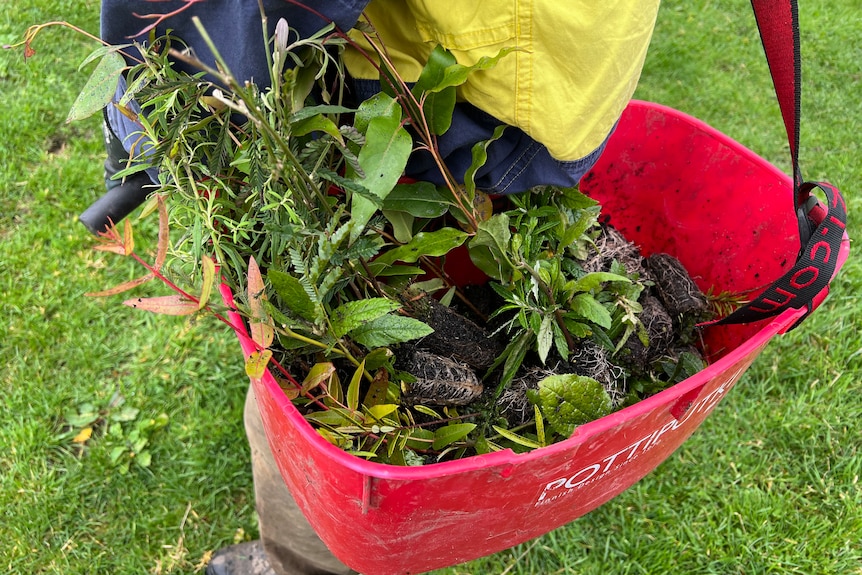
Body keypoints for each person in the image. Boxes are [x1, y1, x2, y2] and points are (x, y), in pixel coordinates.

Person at [95, 2, 660, 574]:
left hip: (416, 83)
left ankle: (306, 563)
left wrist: (143, 120)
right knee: (425, 266)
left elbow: (211, 27)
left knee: (297, 379)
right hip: (560, 87)